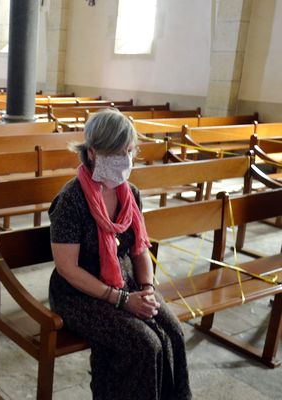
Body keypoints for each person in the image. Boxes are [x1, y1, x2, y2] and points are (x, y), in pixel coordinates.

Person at [48, 109, 191, 400]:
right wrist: (123, 300)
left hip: (126, 281)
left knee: (173, 333)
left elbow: (140, 249)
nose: (125, 161)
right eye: (116, 153)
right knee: (145, 344)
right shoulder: (71, 200)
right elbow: (68, 269)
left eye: (128, 151)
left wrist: (148, 290)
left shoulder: (130, 194)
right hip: (79, 293)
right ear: (92, 154)